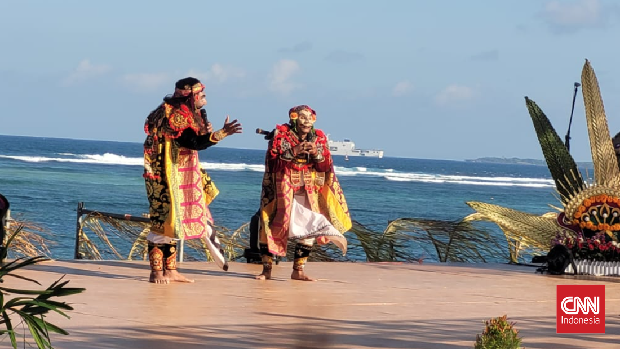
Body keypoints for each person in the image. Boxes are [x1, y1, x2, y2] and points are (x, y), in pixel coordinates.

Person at [143, 77, 242, 284]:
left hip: (178, 171)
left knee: (173, 223)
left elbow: (193, 140)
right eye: (201, 95)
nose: (205, 99)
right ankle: (156, 272)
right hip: (167, 175)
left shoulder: (181, 112)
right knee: (164, 222)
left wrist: (206, 132)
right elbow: (192, 142)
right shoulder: (176, 115)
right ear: (191, 96)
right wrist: (222, 133)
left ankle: (170, 270)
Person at [256, 105, 351, 281]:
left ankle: (298, 270)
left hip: (308, 188)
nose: (307, 121)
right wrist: (295, 151)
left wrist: (316, 153)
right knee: (268, 226)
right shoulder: (280, 135)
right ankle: (266, 270)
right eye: (303, 117)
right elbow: (273, 164)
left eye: (310, 118)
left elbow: (325, 166)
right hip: (281, 188)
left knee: (310, 226)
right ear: (294, 118)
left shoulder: (319, 138)